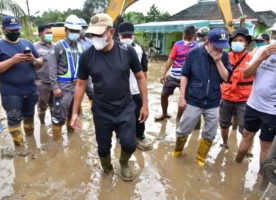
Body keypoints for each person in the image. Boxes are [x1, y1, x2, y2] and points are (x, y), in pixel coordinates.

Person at [70, 13, 148, 181]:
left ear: (111, 32)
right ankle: (107, 167)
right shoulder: (86, 56)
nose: (94, 37)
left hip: (125, 108)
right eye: (92, 34)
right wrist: (75, 112)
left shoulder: (128, 52)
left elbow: (141, 77)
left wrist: (145, 105)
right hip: (101, 110)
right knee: (103, 148)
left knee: (129, 144)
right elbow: (81, 84)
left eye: (99, 34)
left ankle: (124, 163)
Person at [173, 28, 232, 167]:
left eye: (222, 46)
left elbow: (226, 78)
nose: (219, 48)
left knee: (210, 132)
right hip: (194, 99)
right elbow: (185, 75)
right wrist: (182, 97)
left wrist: (218, 61)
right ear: (207, 41)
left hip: (213, 101)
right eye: (216, 45)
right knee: (184, 129)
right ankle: (178, 150)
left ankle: (200, 157)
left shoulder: (224, 56)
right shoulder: (194, 53)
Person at [0, 15, 42, 146]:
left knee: (29, 116)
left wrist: (33, 59)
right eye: (11, 30)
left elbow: (40, 63)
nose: (15, 32)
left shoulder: (27, 43)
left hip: (31, 90)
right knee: (14, 120)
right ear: (3, 29)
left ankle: (31, 141)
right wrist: (12, 61)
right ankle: (20, 147)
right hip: (11, 93)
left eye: (17, 30)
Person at [235, 23, 276, 175]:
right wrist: (262, 58)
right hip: (253, 104)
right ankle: (236, 164)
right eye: (274, 34)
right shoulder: (260, 51)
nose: (275, 38)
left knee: (265, 144)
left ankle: (261, 176)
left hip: (272, 110)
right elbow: (246, 74)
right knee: (246, 134)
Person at [118, 22, 152, 151]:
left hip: (136, 89)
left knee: (139, 114)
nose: (127, 37)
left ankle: (139, 135)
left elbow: (144, 70)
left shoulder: (139, 49)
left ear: (133, 35)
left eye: (129, 35)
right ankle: (121, 136)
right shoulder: (113, 48)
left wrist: (144, 90)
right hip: (120, 91)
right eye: (124, 35)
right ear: (119, 35)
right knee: (121, 116)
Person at [48, 15, 83, 141]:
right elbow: (52, 68)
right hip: (63, 88)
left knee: (73, 113)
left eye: (77, 31)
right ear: (66, 30)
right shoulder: (58, 47)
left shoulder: (79, 46)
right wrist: (55, 87)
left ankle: (71, 136)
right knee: (59, 115)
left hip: (77, 87)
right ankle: (57, 142)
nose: (75, 33)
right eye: (72, 31)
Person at [219, 28, 254, 148]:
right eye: (235, 40)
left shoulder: (253, 57)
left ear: (246, 43)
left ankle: (245, 149)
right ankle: (224, 143)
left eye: (241, 40)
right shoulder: (225, 56)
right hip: (226, 96)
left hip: (244, 99)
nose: (238, 42)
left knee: (246, 128)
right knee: (223, 124)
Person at [156, 26, 198, 121]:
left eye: (189, 38)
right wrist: (163, 74)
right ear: (183, 35)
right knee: (163, 95)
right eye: (185, 38)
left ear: (194, 36)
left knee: (183, 100)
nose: (187, 40)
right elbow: (170, 60)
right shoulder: (177, 45)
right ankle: (164, 114)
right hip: (173, 76)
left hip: (188, 79)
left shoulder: (198, 47)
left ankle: (178, 119)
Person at [34, 24, 54, 125]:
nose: (50, 35)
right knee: (42, 105)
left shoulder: (56, 46)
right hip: (41, 82)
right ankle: (42, 124)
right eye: (47, 33)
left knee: (55, 105)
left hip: (55, 82)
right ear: (40, 34)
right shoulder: (35, 47)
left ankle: (54, 122)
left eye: (51, 33)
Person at [78, 18, 94, 102]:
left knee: (92, 92)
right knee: (76, 95)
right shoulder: (73, 43)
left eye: (84, 28)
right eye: (81, 28)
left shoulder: (90, 42)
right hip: (76, 72)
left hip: (89, 72)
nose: (82, 30)